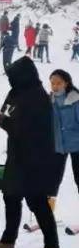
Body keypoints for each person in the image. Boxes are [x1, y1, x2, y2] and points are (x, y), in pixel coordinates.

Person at [0, 57, 61, 248]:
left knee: (36, 201)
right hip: (20, 155)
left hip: (33, 158)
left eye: (13, 76)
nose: (10, 80)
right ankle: (7, 242)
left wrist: (2, 121)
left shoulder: (35, 98)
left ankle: (52, 247)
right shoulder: (22, 94)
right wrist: (4, 119)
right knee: (11, 196)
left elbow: (24, 130)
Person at [50, 69, 79, 211]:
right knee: (52, 180)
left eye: (58, 83)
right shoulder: (50, 101)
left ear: (66, 83)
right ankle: (47, 213)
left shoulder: (76, 100)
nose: (55, 86)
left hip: (77, 145)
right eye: (52, 83)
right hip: (58, 146)